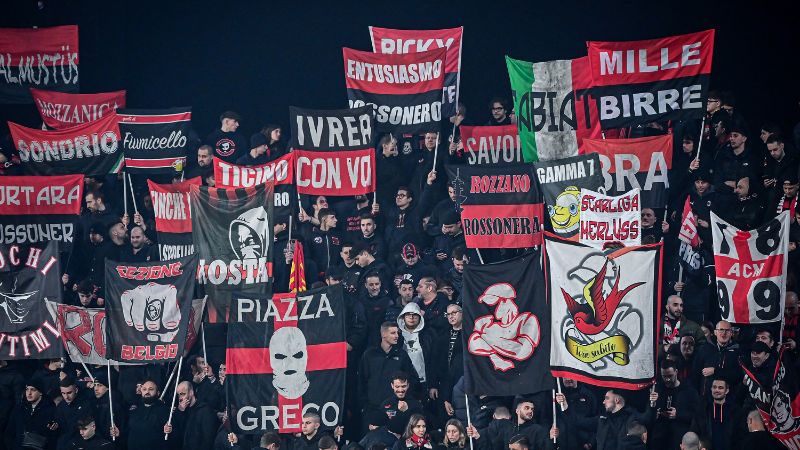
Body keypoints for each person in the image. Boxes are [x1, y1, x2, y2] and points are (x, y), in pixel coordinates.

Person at [358, 322, 419, 420]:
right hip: (373, 409)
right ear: (383, 334)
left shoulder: (402, 355)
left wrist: (406, 401)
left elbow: (412, 379)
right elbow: (361, 382)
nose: (397, 336)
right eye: (393, 333)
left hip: (396, 409)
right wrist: (364, 406)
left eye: (397, 333)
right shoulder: (369, 355)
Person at [650, 359, 700, 450]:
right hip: (660, 438)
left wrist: (678, 414)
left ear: (676, 372)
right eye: (664, 376)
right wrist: (654, 408)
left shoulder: (689, 391)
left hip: (679, 438)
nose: (667, 379)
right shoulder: (657, 389)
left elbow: (697, 415)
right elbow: (650, 415)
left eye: (670, 376)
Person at [112, 378, 170, 450]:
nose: (147, 392)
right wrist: (119, 434)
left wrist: (168, 431)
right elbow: (129, 432)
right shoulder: (134, 410)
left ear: (158, 393)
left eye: (151, 389)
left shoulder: (165, 411)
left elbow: (172, 438)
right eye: (144, 389)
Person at [691, 378, 745, 450]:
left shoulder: (735, 411)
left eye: (720, 388)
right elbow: (695, 431)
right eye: (714, 387)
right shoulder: (703, 410)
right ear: (711, 389)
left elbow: (740, 436)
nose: (717, 390)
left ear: (727, 391)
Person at [3, 379, 57, 450]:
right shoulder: (19, 409)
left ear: (40, 392)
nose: (29, 393)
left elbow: (53, 438)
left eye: (33, 390)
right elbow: (9, 433)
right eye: (27, 389)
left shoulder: (50, 410)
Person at [164, 381, 218, 450]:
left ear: (191, 392)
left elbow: (208, 439)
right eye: (178, 395)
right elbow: (177, 435)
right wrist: (179, 412)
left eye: (183, 394)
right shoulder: (180, 411)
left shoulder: (205, 410)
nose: (180, 398)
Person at [694, 320, 741, 393]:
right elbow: (695, 374)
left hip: (728, 399)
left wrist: (715, 371)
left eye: (727, 330)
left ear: (731, 333)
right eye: (721, 330)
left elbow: (738, 376)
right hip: (706, 398)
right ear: (715, 332)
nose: (724, 333)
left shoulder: (737, 351)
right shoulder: (704, 349)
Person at [54, 377, 94, 450]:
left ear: (76, 390)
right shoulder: (61, 406)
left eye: (69, 393)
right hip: (63, 444)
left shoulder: (86, 404)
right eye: (63, 393)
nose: (66, 397)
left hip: (81, 443)